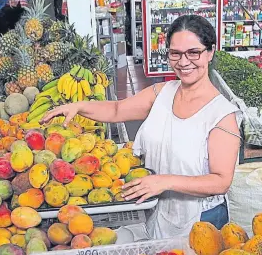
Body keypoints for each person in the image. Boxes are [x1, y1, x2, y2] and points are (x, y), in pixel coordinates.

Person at [42, 14, 241, 239]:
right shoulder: (162, 93)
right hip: (157, 209)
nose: (184, 62)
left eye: (193, 52)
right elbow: (117, 110)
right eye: (175, 53)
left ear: (210, 52)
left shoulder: (221, 115)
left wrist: (164, 181)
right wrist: (77, 106)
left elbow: (221, 181)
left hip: (201, 220)